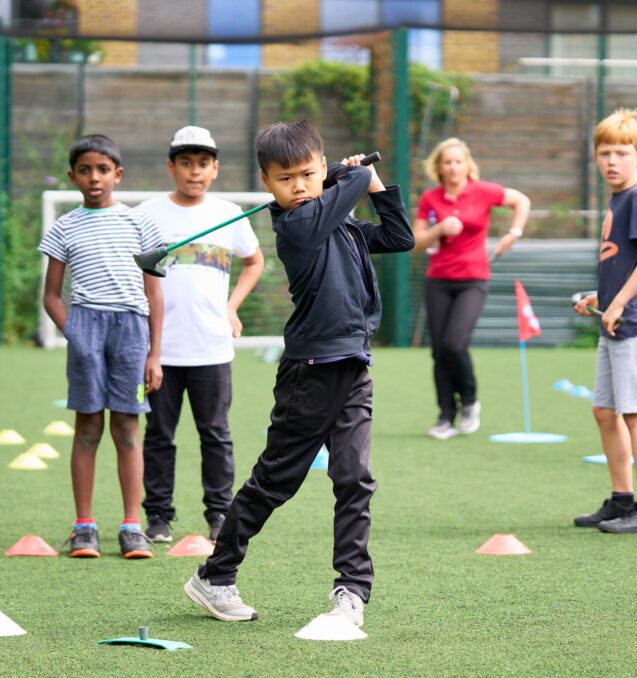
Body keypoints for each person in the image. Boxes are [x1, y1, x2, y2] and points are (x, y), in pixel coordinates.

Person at [183, 121, 414, 624]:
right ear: (267, 182)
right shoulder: (296, 228)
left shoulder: (342, 225)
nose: (301, 186)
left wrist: (372, 183)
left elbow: (399, 237)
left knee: (355, 479)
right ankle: (215, 575)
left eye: (309, 174)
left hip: (352, 366)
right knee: (274, 483)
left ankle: (351, 589)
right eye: (286, 178)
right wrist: (345, 175)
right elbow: (325, 206)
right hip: (309, 374)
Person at [39, 134, 165, 559]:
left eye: (104, 170)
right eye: (86, 170)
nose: (95, 178)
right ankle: (84, 527)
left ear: (118, 175)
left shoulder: (139, 224)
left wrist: (153, 354)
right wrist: (74, 333)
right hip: (86, 327)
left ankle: (132, 527)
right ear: (73, 176)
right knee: (88, 428)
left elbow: (154, 295)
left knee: (128, 429)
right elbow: (52, 296)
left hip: (131, 333)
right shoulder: (64, 227)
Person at [137, 126, 264, 545]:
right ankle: (157, 516)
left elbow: (254, 262)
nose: (195, 172)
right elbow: (135, 274)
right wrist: (147, 345)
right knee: (158, 434)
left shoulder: (228, 213)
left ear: (215, 169)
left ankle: (219, 512)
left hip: (211, 346)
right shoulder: (146, 214)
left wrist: (230, 307)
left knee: (215, 433)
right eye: (186, 163)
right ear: (171, 167)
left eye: (204, 163)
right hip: (161, 350)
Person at [572, 108, 637, 534]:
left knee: (635, 414)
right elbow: (625, 261)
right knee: (604, 411)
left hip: (635, 322)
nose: (612, 161)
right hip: (615, 319)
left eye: (622, 153)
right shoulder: (619, 199)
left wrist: (621, 301)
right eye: (605, 152)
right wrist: (602, 298)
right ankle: (621, 499)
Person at [412, 138, 531, 439]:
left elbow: (522, 201)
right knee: (439, 351)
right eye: (447, 162)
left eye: (458, 161)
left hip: (473, 280)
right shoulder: (430, 199)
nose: (453, 167)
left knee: (455, 343)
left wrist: (513, 233)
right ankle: (444, 417)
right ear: (438, 167)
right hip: (438, 280)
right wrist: (439, 229)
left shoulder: (484, 192)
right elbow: (416, 242)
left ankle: (469, 400)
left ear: (468, 165)